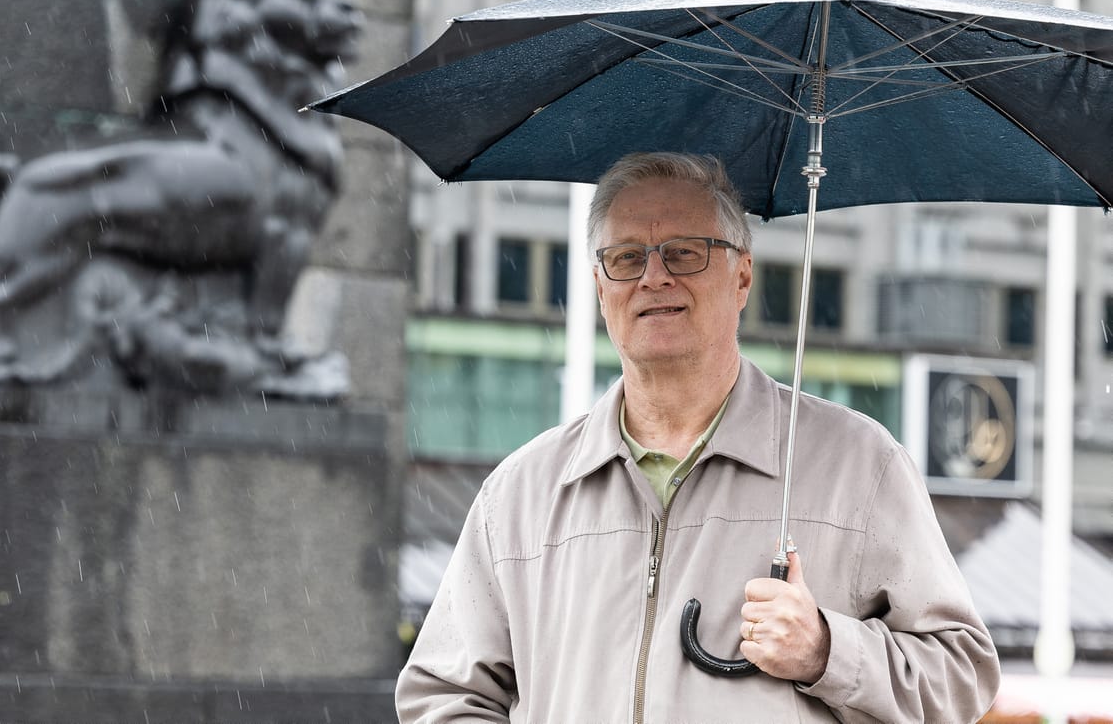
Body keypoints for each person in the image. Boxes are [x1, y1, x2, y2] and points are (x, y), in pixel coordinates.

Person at [396, 152, 1001, 723]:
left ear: (742, 277)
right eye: (627, 257)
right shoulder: (523, 493)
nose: (654, 277)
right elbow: (444, 693)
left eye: (684, 253)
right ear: (600, 288)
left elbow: (960, 677)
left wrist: (826, 651)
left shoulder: (858, 466)